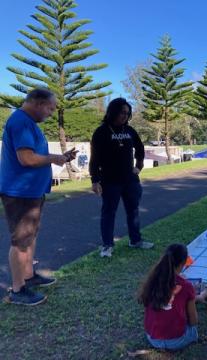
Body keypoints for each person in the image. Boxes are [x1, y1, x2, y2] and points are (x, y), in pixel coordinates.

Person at [0, 88, 77, 305]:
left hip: (31, 191)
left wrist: (62, 157)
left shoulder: (28, 123)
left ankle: (28, 276)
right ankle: (17, 290)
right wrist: (55, 158)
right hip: (20, 192)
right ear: (38, 103)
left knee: (30, 236)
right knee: (20, 241)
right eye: (50, 109)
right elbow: (26, 159)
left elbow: (35, 156)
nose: (51, 114)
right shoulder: (21, 122)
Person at [89, 98, 153, 257]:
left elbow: (140, 148)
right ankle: (107, 246)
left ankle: (135, 240)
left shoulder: (130, 131)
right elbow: (94, 158)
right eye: (121, 112)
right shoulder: (101, 132)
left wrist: (139, 166)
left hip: (130, 180)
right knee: (109, 212)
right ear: (113, 112)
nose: (124, 116)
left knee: (133, 211)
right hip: (110, 181)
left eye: (127, 113)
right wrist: (95, 180)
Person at [138, 243, 207, 351]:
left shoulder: (153, 279)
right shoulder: (186, 286)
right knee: (191, 324)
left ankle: (201, 297)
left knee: (181, 299)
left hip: (152, 338)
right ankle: (204, 295)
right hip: (176, 341)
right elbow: (193, 321)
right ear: (183, 263)